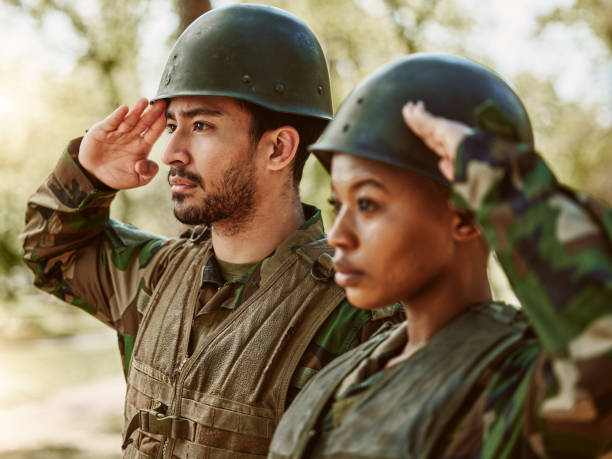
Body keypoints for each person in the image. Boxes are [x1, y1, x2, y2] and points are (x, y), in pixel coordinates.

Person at [21, 5, 402, 457]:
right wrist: (88, 174)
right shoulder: (158, 276)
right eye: (171, 125)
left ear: (279, 148)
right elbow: (51, 254)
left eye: (201, 125)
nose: (171, 152)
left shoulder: (361, 318)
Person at [268, 54, 612, 458]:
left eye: (367, 204)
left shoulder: (514, 386)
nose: (339, 235)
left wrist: (491, 172)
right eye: (337, 204)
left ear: (466, 215)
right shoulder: (342, 375)